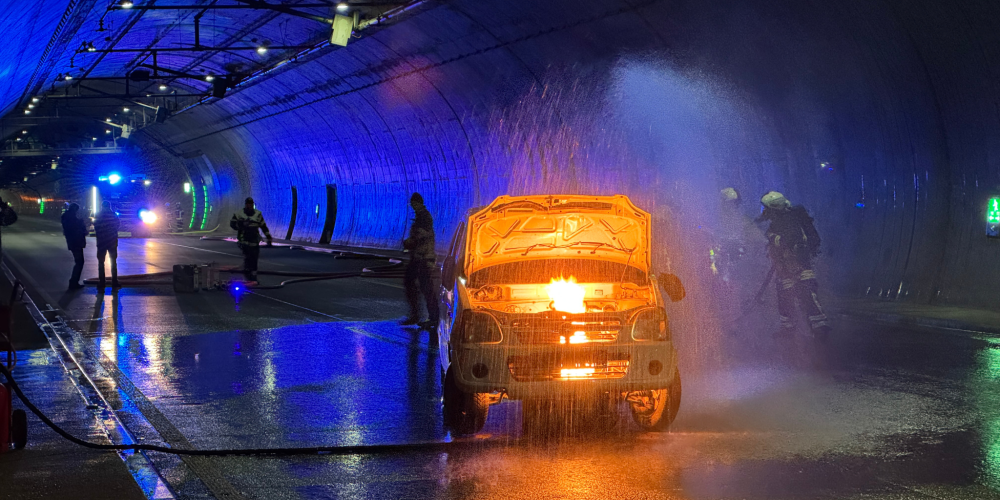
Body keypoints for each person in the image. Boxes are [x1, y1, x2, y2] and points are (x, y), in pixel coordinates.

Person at [758, 191, 830, 341]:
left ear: (774, 209)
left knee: (804, 293)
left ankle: (818, 327)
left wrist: (773, 240)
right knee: (786, 295)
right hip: (788, 266)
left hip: (797, 265)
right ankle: (795, 327)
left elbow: (788, 242)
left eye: (767, 209)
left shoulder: (788, 221)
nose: (765, 212)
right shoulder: (784, 220)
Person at [401, 192, 439, 329]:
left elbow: (422, 236)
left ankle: (432, 317)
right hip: (418, 257)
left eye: (413, 203)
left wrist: (409, 242)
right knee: (413, 284)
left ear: (418, 203)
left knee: (425, 287)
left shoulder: (424, 217)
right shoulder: (420, 217)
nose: (412, 205)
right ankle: (418, 315)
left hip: (423, 258)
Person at [230, 197, 272, 284]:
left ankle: (253, 275)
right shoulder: (239, 214)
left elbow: (263, 226)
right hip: (244, 239)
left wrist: (268, 237)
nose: (249, 206)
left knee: (254, 257)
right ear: (245, 204)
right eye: (248, 204)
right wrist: (241, 226)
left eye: (251, 204)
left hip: (254, 239)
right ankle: (248, 273)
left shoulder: (258, 214)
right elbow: (232, 224)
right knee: (248, 257)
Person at [93, 201, 121, 290]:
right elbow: (117, 225)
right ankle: (114, 281)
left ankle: (102, 282)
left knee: (101, 262)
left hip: (101, 241)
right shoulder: (113, 215)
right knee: (113, 262)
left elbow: (96, 226)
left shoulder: (98, 215)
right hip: (112, 241)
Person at [61, 203, 88, 290]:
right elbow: (79, 230)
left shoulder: (66, 218)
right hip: (76, 242)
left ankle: (74, 282)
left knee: (79, 262)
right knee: (79, 262)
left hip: (73, 242)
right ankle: (73, 282)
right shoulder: (74, 220)